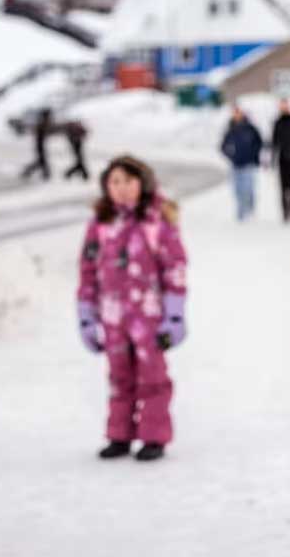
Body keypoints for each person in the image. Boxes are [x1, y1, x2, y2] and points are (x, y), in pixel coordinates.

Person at [76, 155, 188, 461]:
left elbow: (174, 269)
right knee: (118, 376)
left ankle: (154, 436)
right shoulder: (100, 225)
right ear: (106, 187)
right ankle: (120, 435)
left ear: (143, 184)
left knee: (152, 376)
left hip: (149, 317)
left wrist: (174, 316)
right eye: (115, 182)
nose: (122, 188)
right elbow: (87, 270)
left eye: (128, 181)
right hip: (113, 317)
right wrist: (87, 317)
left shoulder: (156, 223)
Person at [220, 105, 263, 221]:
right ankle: (241, 212)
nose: (237, 115)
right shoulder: (231, 129)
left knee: (248, 188)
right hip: (236, 164)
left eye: (239, 112)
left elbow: (259, 143)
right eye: (235, 113)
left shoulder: (250, 128)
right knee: (237, 190)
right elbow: (223, 146)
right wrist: (231, 156)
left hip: (249, 164)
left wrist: (253, 155)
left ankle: (250, 208)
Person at [270, 99, 290, 222]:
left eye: (285, 106)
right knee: (283, 186)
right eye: (281, 106)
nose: (284, 108)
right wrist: (273, 159)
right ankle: (285, 212)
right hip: (282, 159)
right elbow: (274, 142)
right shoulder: (277, 122)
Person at [20, 107, 53, 181]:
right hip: (39, 145)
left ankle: (45, 174)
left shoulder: (43, 122)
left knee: (41, 161)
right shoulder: (42, 123)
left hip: (41, 144)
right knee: (41, 161)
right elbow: (39, 132)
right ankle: (45, 174)